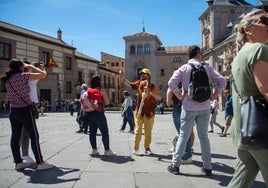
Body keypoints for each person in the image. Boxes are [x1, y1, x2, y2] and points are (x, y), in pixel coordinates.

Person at [167, 45, 227, 176]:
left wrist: (179, 96)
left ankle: (175, 165)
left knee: (183, 136)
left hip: (188, 107)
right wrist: (214, 95)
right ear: (198, 54)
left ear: (189, 55)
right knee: (204, 136)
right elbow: (223, 81)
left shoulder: (184, 68)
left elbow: (171, 84)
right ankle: (207, 167)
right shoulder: (207, 68)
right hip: (205, 107)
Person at [227, 9, 268, 187]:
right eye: (264, 20)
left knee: (243, 177)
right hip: (261, 128)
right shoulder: (259, 49)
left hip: (245, 127)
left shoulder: (239, 55)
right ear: (248, 30)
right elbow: (265, 88)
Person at [0, 59, 54, 170]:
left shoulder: (7, 79)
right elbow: (43, 74)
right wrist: (31, 66)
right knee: (34, 136)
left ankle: (18, 162)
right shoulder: (23, 76)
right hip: (25, 110)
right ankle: (40, 163)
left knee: (15, 137)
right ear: (21, 67)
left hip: (13, 110)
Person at [121, 68, 162, 155]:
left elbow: (159, 97)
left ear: (148, 75)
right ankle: (136, 148)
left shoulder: (152, 86)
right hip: (139, 112)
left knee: (148, 131)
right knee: (138, 130)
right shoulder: (138, 83)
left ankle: (147, 148)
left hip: (149, 113)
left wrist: (150, 92)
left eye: (144, 73)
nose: (142, 75)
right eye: (141, 74)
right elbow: (128, 83)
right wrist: (121, 76)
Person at [19, 58, 44, 164]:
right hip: (30, 106)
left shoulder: (17, 77)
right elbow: (43, 75)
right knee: (29, 133)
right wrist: (40, 67)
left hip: (18, 106)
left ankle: (23, 155)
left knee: (20, 133)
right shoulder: (29, 77)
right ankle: (28, 157)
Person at [84, 75, 116, 156]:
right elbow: (107, 102)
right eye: (101, 80)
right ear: (99, 81)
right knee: (104, 132)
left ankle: (94, 150)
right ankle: (107, 150)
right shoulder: (101, 90)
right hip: (99, 113)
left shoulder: (89, 90)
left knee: (92, 132)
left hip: (90, 113)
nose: (102, 82)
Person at [166, 84, 193, 164]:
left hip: (178, 108)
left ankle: (187, 155)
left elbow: (168, 103)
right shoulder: (187, 81)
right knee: (189, 133)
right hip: (191, 108)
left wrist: (169, 91)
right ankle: (186, 152)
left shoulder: (174, 86)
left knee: (183, 133)